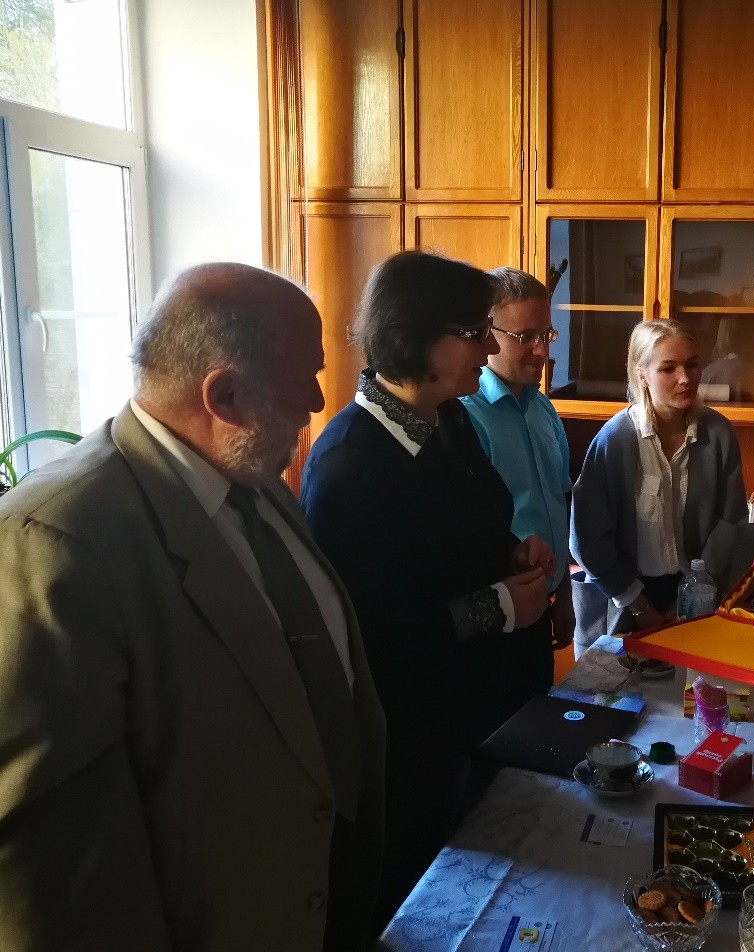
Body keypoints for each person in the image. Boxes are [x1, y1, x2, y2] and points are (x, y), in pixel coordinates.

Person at [0, 263, 386, 952]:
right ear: (226, 395)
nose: (318, 399)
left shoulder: (253, 477)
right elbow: (52, 869)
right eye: (304, 377)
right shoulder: (56, 540)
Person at [299, 251, 552, 930]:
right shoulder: (349, 464)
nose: (490, 348)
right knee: (427, 910)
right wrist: (501, 605)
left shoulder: (450, 420)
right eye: (474, 332)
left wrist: (512, 552)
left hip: (478, 711)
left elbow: (463, 533)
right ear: (413, 336)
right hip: (414, 744)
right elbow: (368, 634)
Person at [571, 318, 747, 656]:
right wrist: (640, 606)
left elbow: (731, 519)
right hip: (622, 596)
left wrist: (695, 592)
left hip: (697, 592)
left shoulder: (718, 434)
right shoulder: (614, 440)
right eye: (668, 368)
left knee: (691, 683)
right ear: (642, 375)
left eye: (692, 365)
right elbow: (588, 538)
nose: (685, 378)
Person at [460, 267, 574, 654]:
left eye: (546, 335)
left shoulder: (544, 409)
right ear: (486, 333)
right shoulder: (463, 417)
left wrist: (565, 594)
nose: (542, 350)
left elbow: (560, 502)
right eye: (526, 337)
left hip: (546, 601)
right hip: (496, 611)